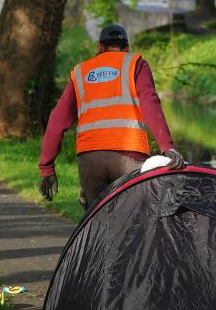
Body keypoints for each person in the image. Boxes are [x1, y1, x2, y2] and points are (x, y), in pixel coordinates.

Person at [38, 23, 185, 209]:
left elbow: (57, 120)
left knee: (97, 222)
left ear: (99, 47)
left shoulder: (81, 72)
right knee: (131, 221)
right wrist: (167, 146)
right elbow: (150, 103)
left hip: (90, 158)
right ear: (127, 48)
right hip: (129, 155)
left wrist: (47, 168)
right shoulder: (135, 64)